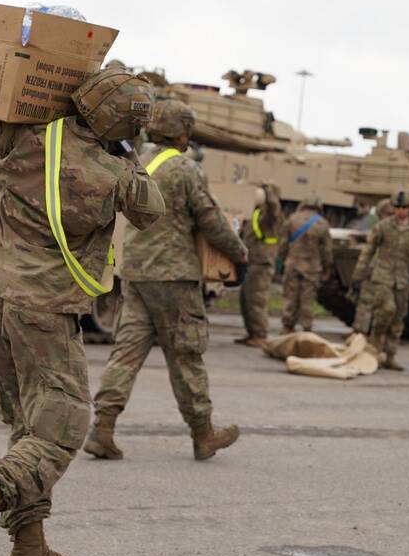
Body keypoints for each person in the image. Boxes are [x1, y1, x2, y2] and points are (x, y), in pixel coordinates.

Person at [0, 68, 164, 556]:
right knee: (62, 431)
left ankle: (29, 549)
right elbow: (154, 209)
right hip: (47, 314)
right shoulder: (114, 172)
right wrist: (126, 153)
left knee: (29, 430)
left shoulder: (26, 138)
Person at [84, 98, 249, 462]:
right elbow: (210, 219)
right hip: (174, 275)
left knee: (126, 354)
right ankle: (203, 433)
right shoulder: (184, 169)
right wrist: (238, 251)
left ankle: (103, 428)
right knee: (186, 354)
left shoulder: (140, 161)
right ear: (183, 134)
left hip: (136, 272)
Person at [350, 190, 409, 370]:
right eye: (397, 207)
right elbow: (368, 251)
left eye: (404, 208)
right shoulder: (383, 227)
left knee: (398, 318)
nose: (401, 211)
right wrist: (358, 274)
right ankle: (375, 348)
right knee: (386, 309)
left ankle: (390, 355)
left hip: (402, 280)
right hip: (382, 276)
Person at [235, 181, 282, 347]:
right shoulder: (256, 213)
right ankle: (252, 333)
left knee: (257, 300)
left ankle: (260, 335)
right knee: (246, 300)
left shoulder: (270, 216)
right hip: (252, 262)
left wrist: (267, 190)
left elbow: (273, 208)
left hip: (262, 263)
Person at [278, 196, 332, 333]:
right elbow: (326, 250)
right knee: (307, 298)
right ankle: (307, 328)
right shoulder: (322, 223)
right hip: (312, 266)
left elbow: (283, 244)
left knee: (290, 295)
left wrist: (283, 259)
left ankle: (287, 326)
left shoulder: (292, 219)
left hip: (293, 263)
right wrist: (327, 268)